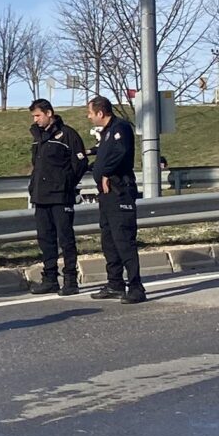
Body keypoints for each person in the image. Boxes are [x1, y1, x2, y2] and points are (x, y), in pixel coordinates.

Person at [84, 94, 147, 303]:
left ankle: (136, 287)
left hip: (120, 191)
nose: (89, 117)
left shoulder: (120, 128)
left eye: (90, 113)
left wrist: (105, 172)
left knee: (124, 240)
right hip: (107, 195)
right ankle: (115, 283)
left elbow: (121, 152)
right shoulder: (107, 132)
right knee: (109, 240)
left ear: (100, 113)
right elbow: (104, 155)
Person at [24, 98, 88, 295]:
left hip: (61, 196)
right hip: (41, 196)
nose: (35, 120)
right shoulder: (38, 137)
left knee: (65, 238)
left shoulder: (67, 135)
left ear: (49, 113)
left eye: (38, 115)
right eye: (33, 116)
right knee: (46, 239)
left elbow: (80, 163)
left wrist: (66, 183)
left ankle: (70, 279)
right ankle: (50, 278)